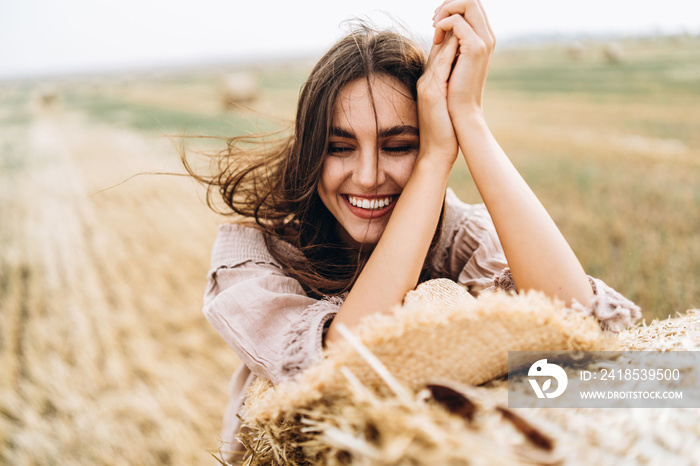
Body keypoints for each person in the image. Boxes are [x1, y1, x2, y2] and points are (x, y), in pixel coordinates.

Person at [186, 0, 640, 459]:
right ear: (310, 153)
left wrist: (468, 121)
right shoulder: (253, 255)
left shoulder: (459, 235)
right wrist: (429, 160)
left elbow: (581, 333)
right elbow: (341, 365)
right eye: (339, 147)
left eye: (399, 145)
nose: (367, 176)